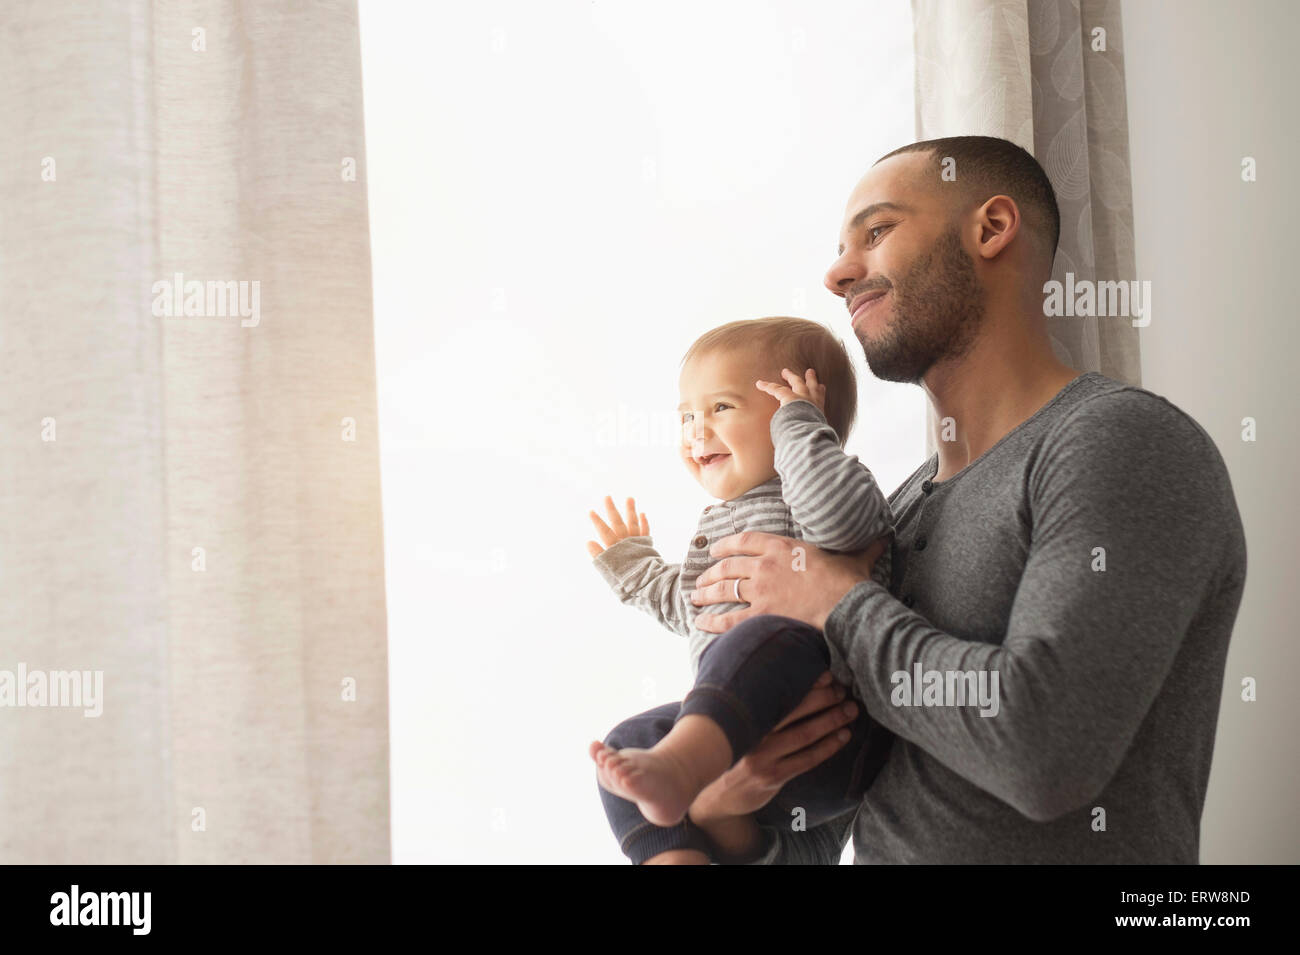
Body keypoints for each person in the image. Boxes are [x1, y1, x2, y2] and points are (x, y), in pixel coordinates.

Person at [660, 135, 1248, 864]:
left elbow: (1046, 751)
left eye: (875, 233)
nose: (839, 273)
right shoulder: (897, 510)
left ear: (992, 228)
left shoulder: (1122, 442)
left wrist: (838, 602)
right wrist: (728, 810)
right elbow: (831, 827)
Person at [585, 317, 895, 864]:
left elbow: (842, 524)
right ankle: (674, 856)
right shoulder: (719, 528)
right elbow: (695, 608)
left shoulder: (821, 492)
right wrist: (636, 567)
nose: (695, 429)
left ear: (796, 413)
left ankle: (681, 766)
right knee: (624, 744)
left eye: (720, 408)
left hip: (830, 734)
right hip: (739, 756)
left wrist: (801, 430)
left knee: (767, 633)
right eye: (686, 415)